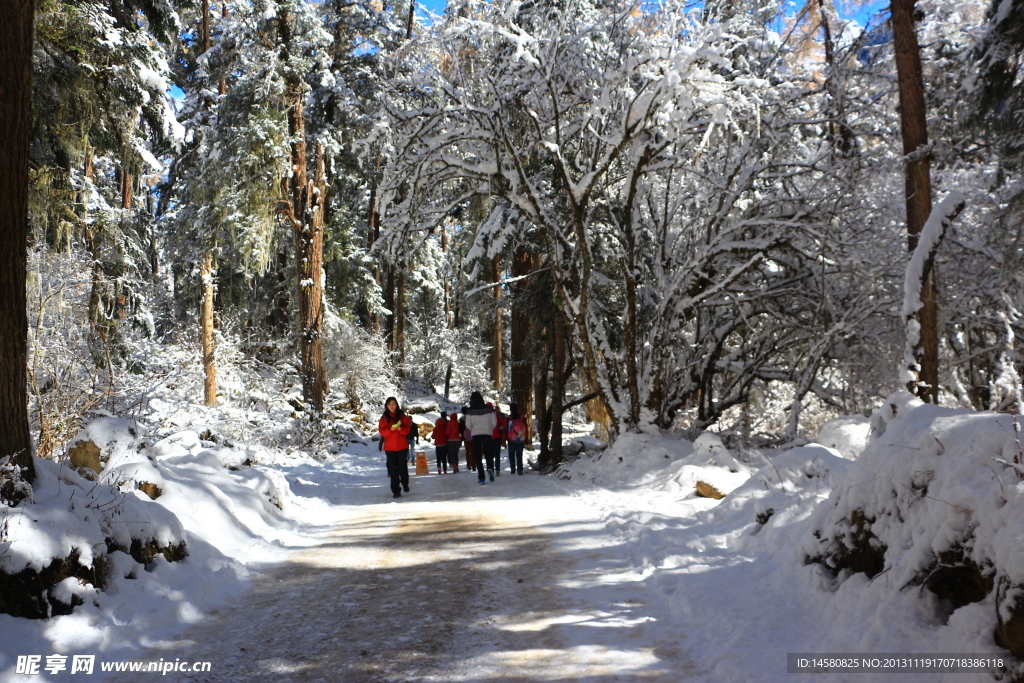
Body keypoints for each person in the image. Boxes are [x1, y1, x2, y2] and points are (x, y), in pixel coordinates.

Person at [379, 397, 412, 498]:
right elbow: (382, 431)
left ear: (396, 405)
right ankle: (396, 491)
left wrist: (400, 428)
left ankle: (405, 483)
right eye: (389, 404)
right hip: (390, 448)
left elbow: (407, 430)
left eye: (393, 404)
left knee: (402, 468)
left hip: (402, 447)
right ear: (386, 406)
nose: (392, 406)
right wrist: (390, 429)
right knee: (393, 471)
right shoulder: (384, 418)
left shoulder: (402, 416)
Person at [465, 391, 497, 483]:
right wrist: (489, 428)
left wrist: (474, 429)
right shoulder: (489, 409)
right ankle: (490, 468)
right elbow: (494, 422)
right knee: (488, 454)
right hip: (487, 434)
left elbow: (468, 425)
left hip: (476, 435)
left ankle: (481, 477)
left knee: (478, 456)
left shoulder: (470, 411)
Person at [506, 403, 527, 475]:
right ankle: (520, 470)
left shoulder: (508, 419)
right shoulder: (522, 418)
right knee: (519, 455)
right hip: (521, 440)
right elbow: (526, 429)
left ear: (510, 409)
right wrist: (526, 440)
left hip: (511, 439)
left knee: (511, 454)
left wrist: (504, 440)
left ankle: (512, 468)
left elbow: (505, 430)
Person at [489, 402, 506, 477]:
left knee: (490, 454)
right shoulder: (497, 415)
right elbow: (503, 425)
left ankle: (491, 469)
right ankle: (497, 469)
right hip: (498, 436)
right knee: (497, 454)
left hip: (489, 437)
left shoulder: (484, 417)